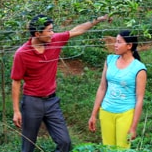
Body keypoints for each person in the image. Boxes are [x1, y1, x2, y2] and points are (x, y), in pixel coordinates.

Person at [11, 14, 110, 152]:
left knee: (65, 142)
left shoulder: (54, 41)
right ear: (38, 33)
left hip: (52, 101)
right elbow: (16, 82)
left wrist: (97, 20)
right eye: (49, 30)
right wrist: (16, 111)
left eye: (53, 30)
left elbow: (77, 30)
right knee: (28, 145)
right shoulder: (22, 53)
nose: (52, 33)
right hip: (32, 102)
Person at [88, 30, 147, 149]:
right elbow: (102, 87)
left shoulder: (139, 68)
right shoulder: (110, 60)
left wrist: (133, 127)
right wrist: (94, 114)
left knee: (122, 148)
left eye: (119, 42)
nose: (115, 45)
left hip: (125, 113)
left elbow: (139, 98)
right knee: (108, 148)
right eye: (115, 41)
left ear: (129, 46)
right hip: (106, 111)